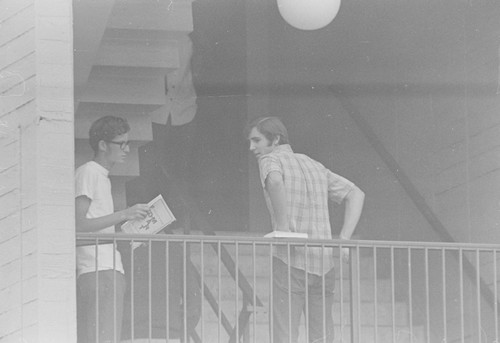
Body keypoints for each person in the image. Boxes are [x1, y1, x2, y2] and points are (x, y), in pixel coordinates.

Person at [246, 116, 365, 343]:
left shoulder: (270, 160)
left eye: (256, 140)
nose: (252, 147)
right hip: (324, 262)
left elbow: (275, 182)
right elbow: (356, 194)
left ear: (276, 139)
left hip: (291, 260)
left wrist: (283, 228)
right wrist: (344, 238)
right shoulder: (314, 165)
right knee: (321, 336)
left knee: (285, 335)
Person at [75, 115, 150, 343]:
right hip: (98, 269)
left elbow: (98, 224)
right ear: (102, 145)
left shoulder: (102, 177)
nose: (127, 149)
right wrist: (124, 214)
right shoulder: (89, 171)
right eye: (121, 144)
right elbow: (78, 225)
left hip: (109, 268)